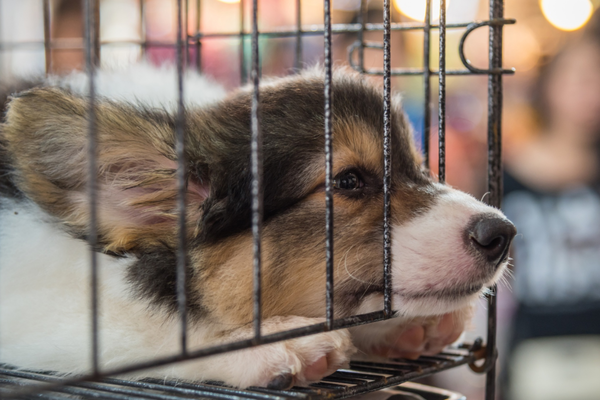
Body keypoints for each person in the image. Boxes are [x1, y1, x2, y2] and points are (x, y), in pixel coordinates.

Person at [502, 26, 600, 400]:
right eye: (581, 78)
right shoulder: (505, 170)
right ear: (550, 82)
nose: (590, 93)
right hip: (532, 349)